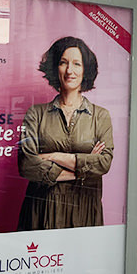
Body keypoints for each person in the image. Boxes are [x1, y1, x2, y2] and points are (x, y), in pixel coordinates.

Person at [17, 37, 114, 231]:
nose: (70, 70)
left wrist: (53, 156)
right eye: (63, 62)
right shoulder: (36, 114)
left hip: (84, 211)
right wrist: (83, 169)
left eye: (77, 64)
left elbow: (103, 163)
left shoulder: (100, 116)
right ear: (55, 68)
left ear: (85, 69)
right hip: (42, 211)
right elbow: (27, 164)